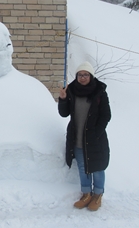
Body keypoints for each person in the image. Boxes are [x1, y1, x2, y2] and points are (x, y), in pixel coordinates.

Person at [58, 61, 111, 211]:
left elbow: (106, 115)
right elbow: (64, 113)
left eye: (85, 75)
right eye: (80, 75)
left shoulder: (99, 92)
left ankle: (98, 195)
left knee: (97, 168)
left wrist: (96, 133)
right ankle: (86, 193)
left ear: (91, 76)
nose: (82, 77)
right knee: (83, 167)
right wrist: (62, 99)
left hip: (95, 139)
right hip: (77, 138)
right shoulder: (72, 90)